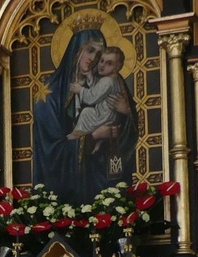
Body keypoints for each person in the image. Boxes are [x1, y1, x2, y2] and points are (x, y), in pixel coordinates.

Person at [33, 20, 139, 205]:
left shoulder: (110, 80)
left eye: (99, 54)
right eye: (90, 50)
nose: (94, 58)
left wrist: (126, 112)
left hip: (102, 177)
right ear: (77, 50)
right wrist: (93, 136)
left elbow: (131, 132)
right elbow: (50, 151)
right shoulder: (51, 93)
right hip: (67, 189)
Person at [67, 47, 126, 155]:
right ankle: (98, 143)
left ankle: (77, 134)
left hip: (103, 116)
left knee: (86, 113)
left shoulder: (107, 82)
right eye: (102, 61)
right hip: (108, 117)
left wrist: (80, 90)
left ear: (116, 68)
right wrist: (90, 76)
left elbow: (92, 97)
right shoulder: (112, 80)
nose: (102, 65)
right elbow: (98, 90)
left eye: (109, 63)